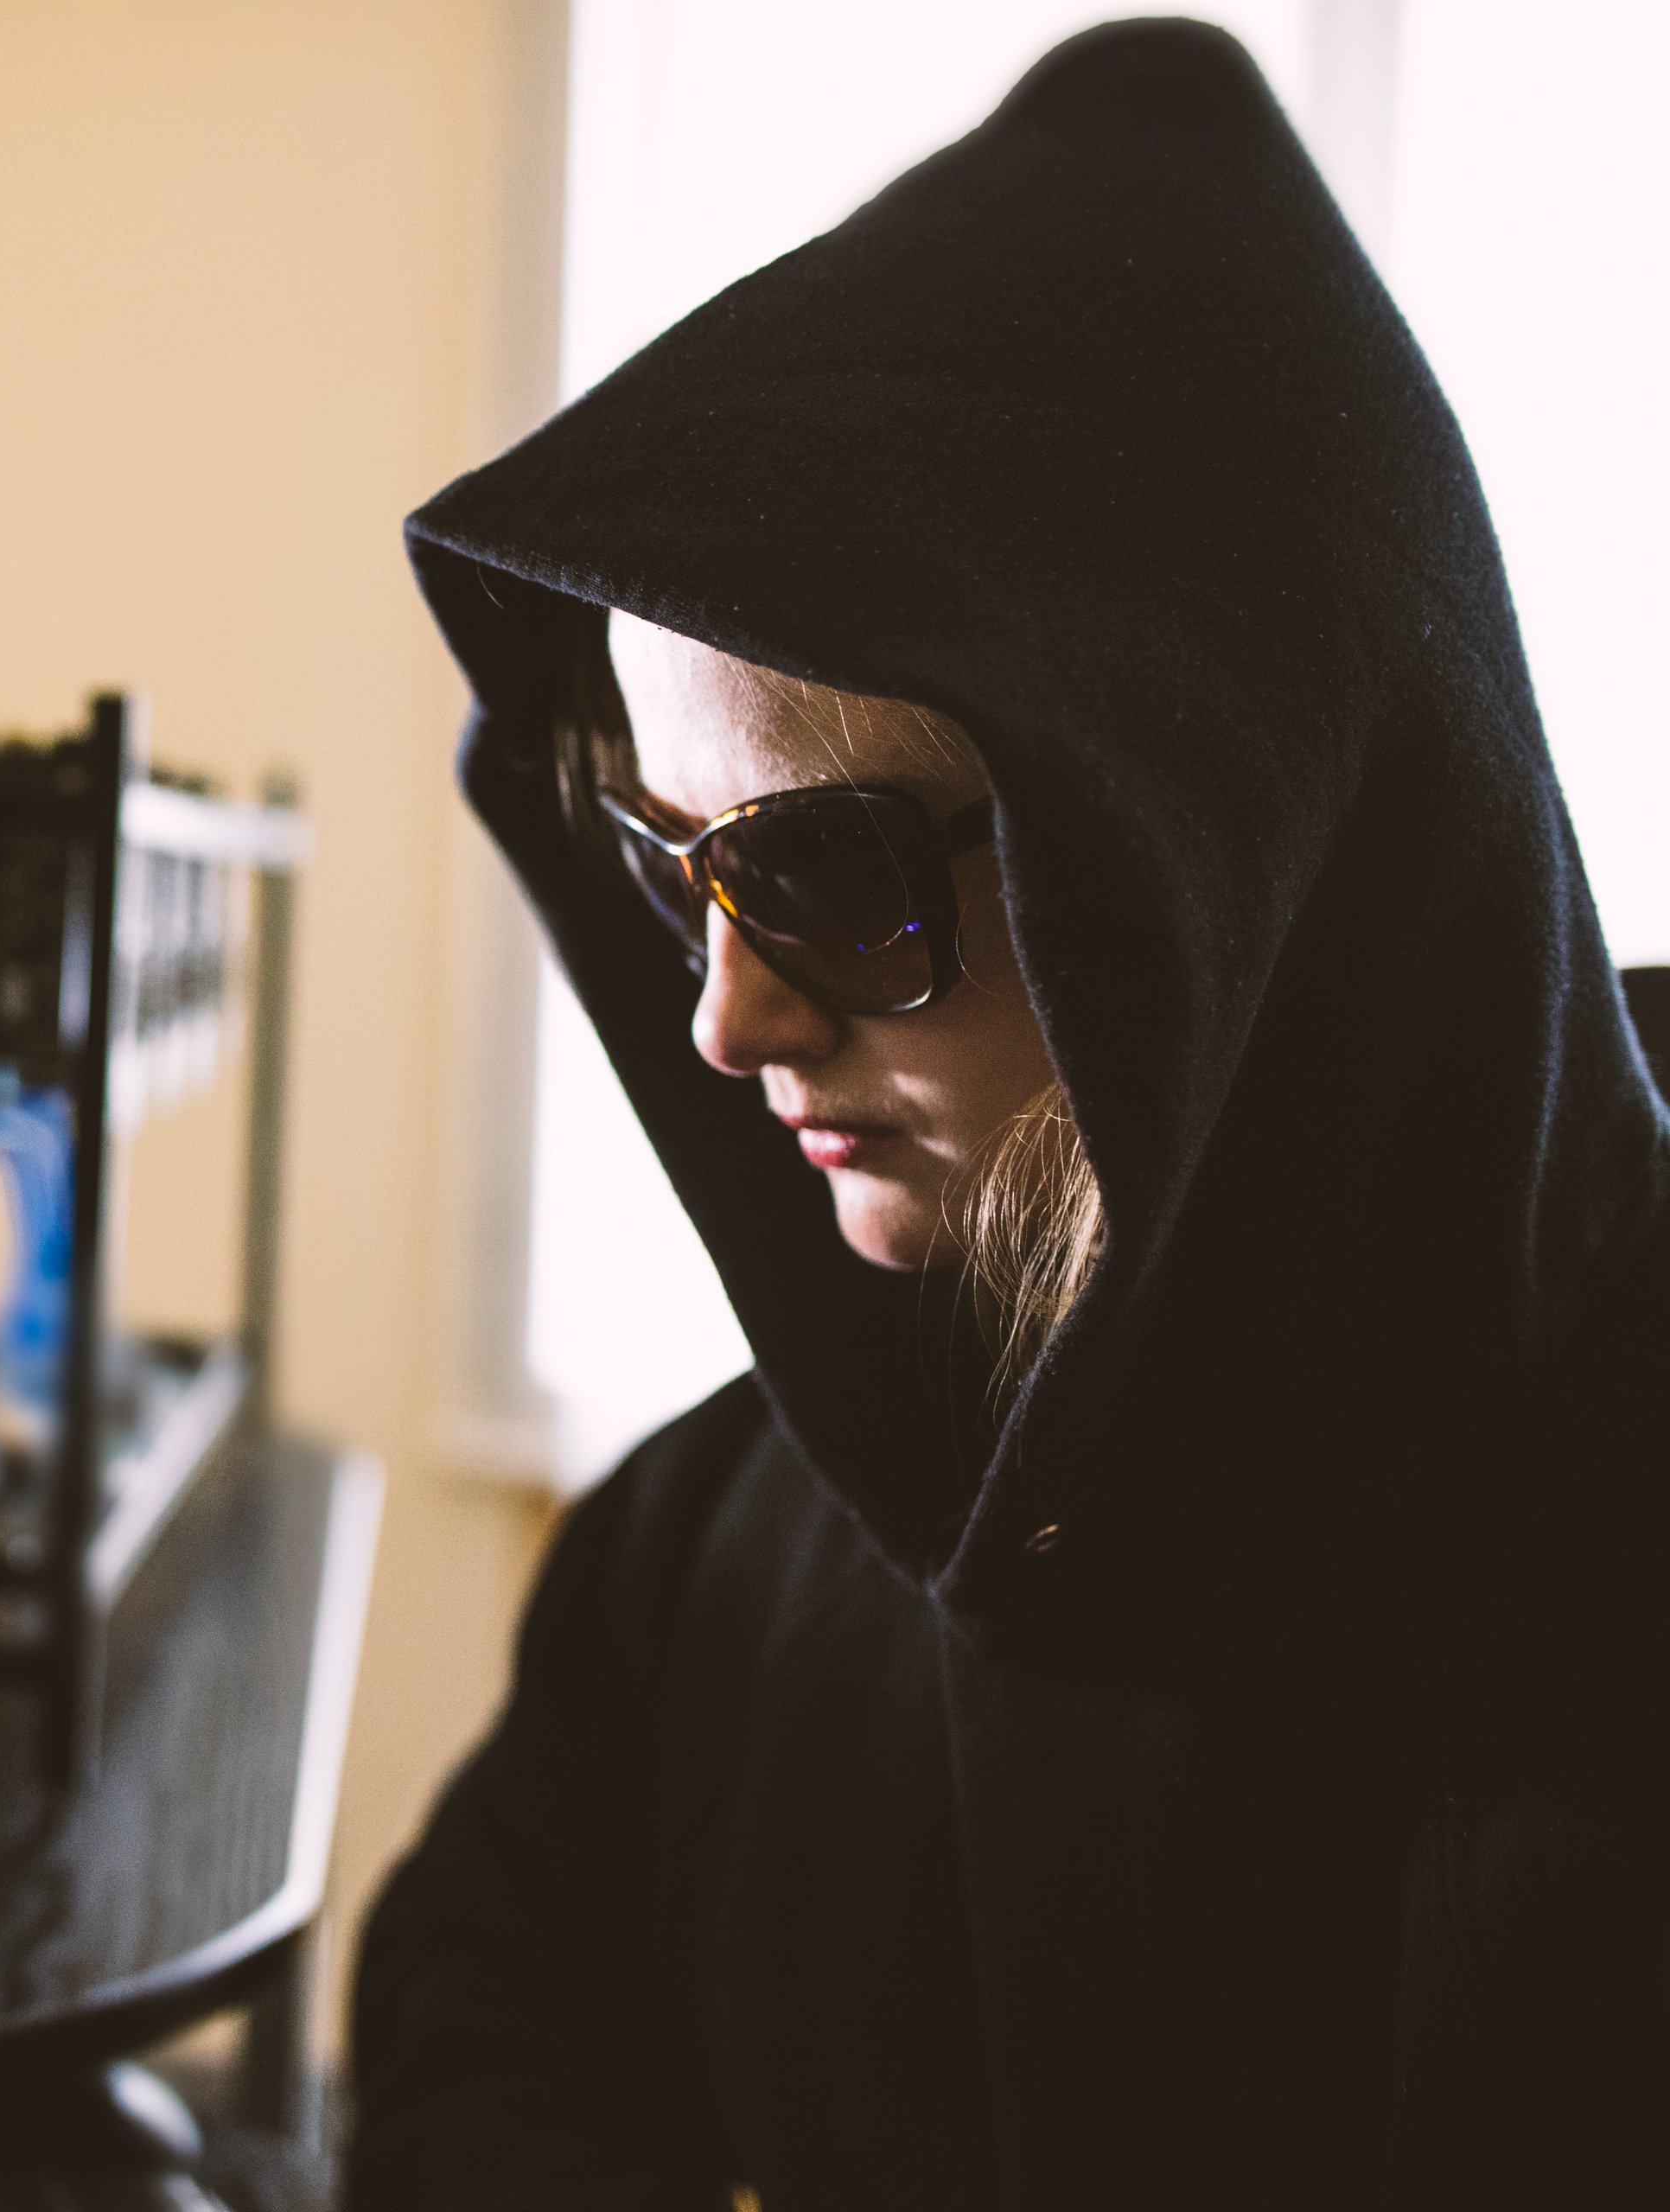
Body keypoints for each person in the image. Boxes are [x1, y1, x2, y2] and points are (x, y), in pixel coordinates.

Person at [349, 20, 1667, 2209]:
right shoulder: (719, 1546)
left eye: (833, 875)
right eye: (673, 860)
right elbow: (491, 2037)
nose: (725, 1017)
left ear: (1243, 860)